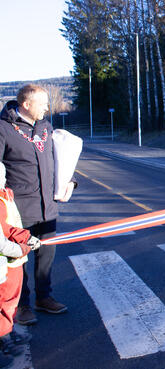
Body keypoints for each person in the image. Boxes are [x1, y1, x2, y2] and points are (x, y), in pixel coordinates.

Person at [0, 84, 76, 325]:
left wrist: (71, 181)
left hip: (47, 207)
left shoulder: (45, 126)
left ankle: (44, 298)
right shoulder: (3, 129)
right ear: (26, 104)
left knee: (46, 256)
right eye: (43, 103)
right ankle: (20, 305)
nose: (47, 107)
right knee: (19, 259)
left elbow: (58, 160)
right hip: (18, 210)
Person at [0, 162, 41, 366]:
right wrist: (24, 245)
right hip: (8, 258)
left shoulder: (5, 195)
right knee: (6, 300)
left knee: (11, 300)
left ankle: (8, 331)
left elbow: (9, 226)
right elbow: (3, 232)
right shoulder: (0, 200)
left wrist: (25, 237)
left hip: (13, 256)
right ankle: (4, 338)